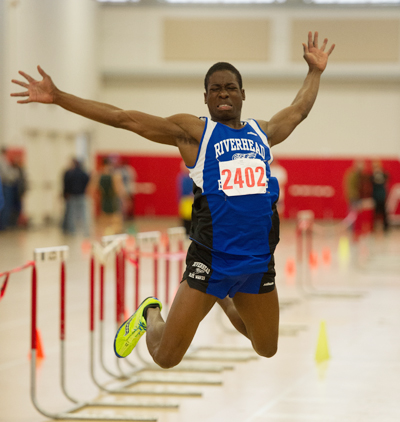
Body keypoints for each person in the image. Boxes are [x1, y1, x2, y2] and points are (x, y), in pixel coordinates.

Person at [11, 31, 334, 368]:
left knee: (266, 347)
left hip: (257, 260)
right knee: (166, 356)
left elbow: (298, 110)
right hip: (211, 259)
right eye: (215, 89)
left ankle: (223, 296)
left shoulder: (262, 133)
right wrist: (60, 97)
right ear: (206, 98)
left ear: (242, 94)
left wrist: (315, 72)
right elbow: (125, 118)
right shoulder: (195, 133)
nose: (223, 93)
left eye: (230, 88)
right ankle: (150, 312)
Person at [62, 158, 91, 237]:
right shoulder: (83, 173)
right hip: (81, 195)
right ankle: (86, 231)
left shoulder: (70, 173)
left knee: (71, 214)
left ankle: (72, 231)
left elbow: (66, 184)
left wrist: (66, 193)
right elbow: (87, 180)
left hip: (73, 195)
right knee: (84, 214)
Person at [370, 160, 389, 232]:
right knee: (374, 213)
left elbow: (387, 177)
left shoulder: (383, 174)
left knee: (384, 212)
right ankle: (373, 227)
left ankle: (386, 227)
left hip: (382, 196)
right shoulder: (372, 176)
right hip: (375, 196)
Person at [176, 160, 194, 235]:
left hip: (192, 201)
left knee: (192, 219)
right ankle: (186, 233)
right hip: (185, 202)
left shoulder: (192, 177)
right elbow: (180, 191)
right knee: (185, 220)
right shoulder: (181, 177)